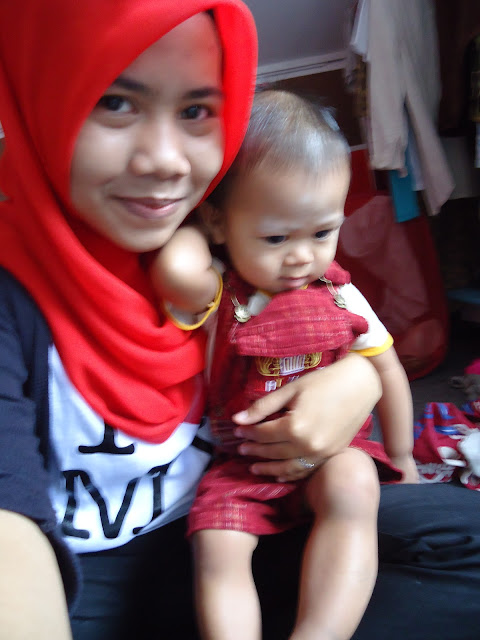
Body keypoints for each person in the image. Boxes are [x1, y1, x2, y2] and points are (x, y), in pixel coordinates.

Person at [0, 2, 479, 640]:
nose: (166, 162)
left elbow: (365, 345)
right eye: (114, 102)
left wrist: (360, 380)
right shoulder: (196, 269)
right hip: (101, 577)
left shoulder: (250, 244)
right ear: (41, 97)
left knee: (458, 537)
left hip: (277, 512)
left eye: (197, 110)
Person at [150, 89, 418, 639]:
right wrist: (204, 227)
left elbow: (387, 370)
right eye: (275, 237)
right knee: (216, 543)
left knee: (354, 486)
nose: (301, 255)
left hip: (333, 455)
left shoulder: (341, 295)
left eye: (323, 232)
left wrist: (402, 454)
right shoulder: (219, 292)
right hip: (244, 465)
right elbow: (174, 269)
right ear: (219, 223)